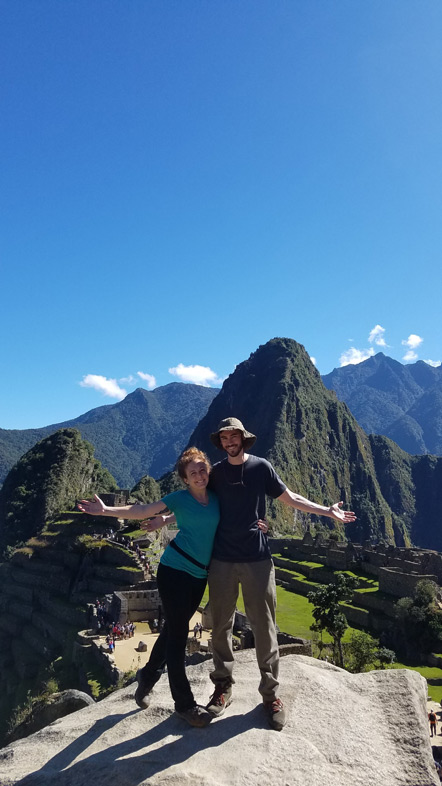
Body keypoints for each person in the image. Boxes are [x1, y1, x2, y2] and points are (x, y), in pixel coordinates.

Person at [204, 417, 357, 731]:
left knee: (265, 627)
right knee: (220, 625)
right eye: (225, 438)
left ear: (243, 439)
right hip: (221, 559)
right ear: (220, 441)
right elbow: (194, 501)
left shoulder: (261, 468)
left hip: (257, 559)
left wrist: (328, 512)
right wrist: (160, 517)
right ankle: (223, 687)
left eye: (234, 436)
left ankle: (271, 695)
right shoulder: (216, 473)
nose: (229, 442)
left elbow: (291, 499)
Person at [78, 447, 220, 728]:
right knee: (179, 637)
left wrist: (258, 525)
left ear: (208, 470)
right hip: (175, 570)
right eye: (193, 473)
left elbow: (235, 511)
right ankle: (185, 704)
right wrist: (106, 510)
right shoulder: (178, 498)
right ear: (185, 479)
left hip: (199, 575)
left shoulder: (217, 496)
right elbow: (141, 509)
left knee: (171, 631)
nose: (199, 475)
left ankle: (147, 677)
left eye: (202, 469)